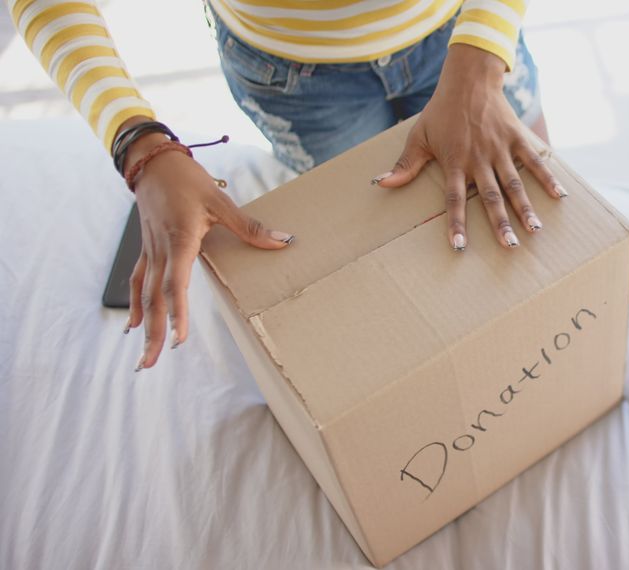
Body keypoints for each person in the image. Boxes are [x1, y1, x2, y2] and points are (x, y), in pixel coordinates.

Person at [7, 0, 567, 371]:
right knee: (391, 233)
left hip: (465, 31)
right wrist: (138, 145)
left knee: (533, 214)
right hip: (295, 79)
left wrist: (479, 59)